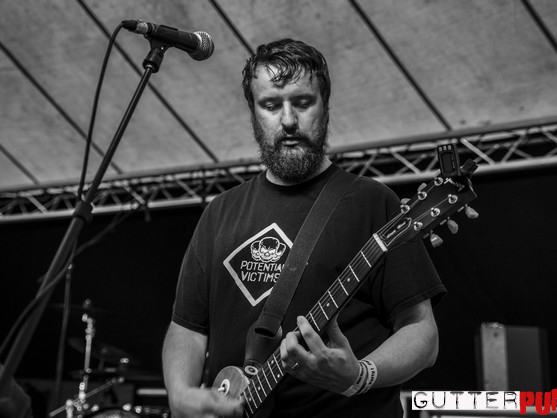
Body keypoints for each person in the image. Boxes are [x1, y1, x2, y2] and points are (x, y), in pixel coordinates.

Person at [162, 38, 445, 418]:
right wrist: (180, 394)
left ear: (325, 106)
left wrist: (360, 375)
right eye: (271, 105)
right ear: (253, 113)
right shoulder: (220, 212)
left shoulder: (371, 201)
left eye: (303, 102)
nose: (289, 121)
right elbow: (187, 328)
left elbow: (422, 333)